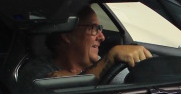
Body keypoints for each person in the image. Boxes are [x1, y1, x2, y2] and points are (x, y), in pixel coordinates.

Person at [19, 9, 150, 87]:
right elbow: (52, 92)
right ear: (67, 35)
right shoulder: (36, 71)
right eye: (93, 28)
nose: (101, 37)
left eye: (100, 29)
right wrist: (109, 58)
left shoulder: (114, 66)